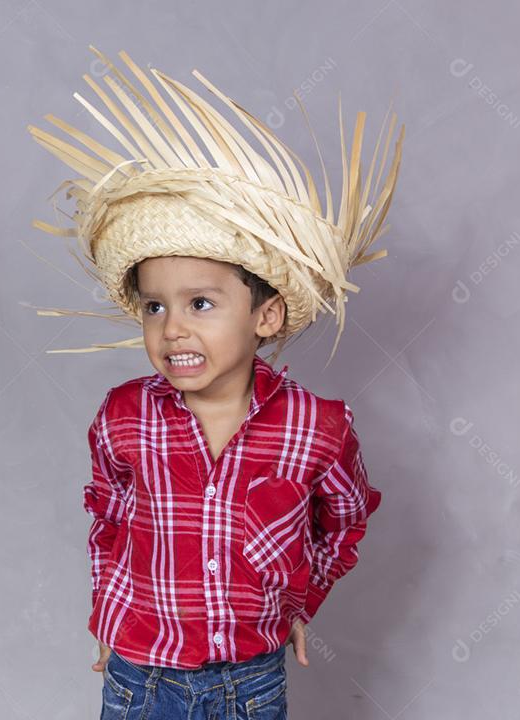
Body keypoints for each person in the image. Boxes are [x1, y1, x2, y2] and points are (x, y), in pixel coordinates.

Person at [26, 46, 404, 718]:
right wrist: (109, 619)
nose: (172, 328)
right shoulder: (124, 417)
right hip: (139, 677)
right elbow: (109, 518)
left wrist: (296, 599)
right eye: (154, 306)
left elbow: (342, 521)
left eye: (200, 304)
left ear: (265, 314)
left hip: (248, 683)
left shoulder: (315, 429)